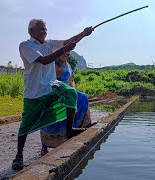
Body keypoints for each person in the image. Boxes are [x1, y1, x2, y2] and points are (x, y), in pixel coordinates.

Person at [12, 18, 93, 170]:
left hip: (52, 86)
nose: (44, 31)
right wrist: (64, 49)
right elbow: (43, 60)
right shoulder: (25, 46)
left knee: (70, 92)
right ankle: (18, 156)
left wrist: (83, 33)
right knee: (25, 125)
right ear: (31, 31)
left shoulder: (49, 44)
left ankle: (69, 130)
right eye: (41, 29)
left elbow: (69, 40)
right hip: (34, 91)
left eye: (45, 29)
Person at [39, 51, 94, 156]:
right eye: (65, 51)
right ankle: (44, 146)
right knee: (48, 112)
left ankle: (79, 127)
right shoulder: (52, 63)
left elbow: (72, 80)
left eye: (68, 52)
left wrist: (72, 89)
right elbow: (50, 80)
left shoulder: (68, 65)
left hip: (68, 93)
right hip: (54, 92)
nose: (67, 54)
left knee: (83, 98)